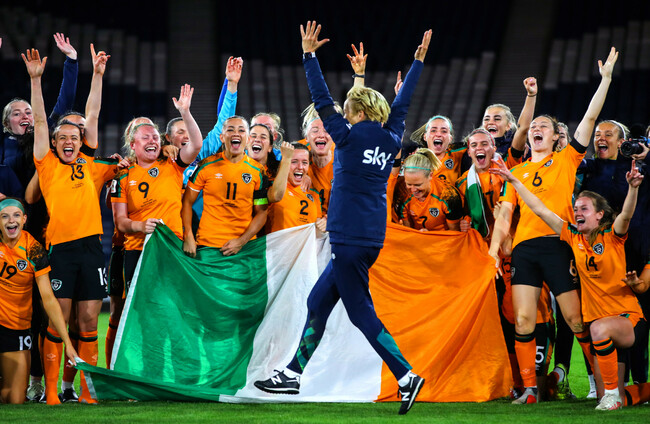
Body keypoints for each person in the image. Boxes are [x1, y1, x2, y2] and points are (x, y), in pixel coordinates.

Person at [254, 22, 431, 416]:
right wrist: (417, 64)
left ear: (359, 111)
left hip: (348, 239)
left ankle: (405, 375)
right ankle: (292, 374)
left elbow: (320, 98)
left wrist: (308, 55)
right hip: (368, 238)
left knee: (360, 312)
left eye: (348, 108)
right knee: (318, 301)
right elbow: (403, 105)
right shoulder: (391, 137)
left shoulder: (347, 138)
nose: (342, 112)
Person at [488, 47, 619, 404]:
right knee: (524, 320)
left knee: (576, 320)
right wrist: (495, 249)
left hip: (560, 245)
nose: (536, 130)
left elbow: (590, 119)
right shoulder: (516, 171)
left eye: (543, 126)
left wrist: (605, 80)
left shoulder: (566, 159)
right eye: (533, 127)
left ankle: (603, 386)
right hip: (525, 250)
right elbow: (504, 214)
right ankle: (530, 389)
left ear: (555, 135)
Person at [491, 157, 645, 411]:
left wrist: (633, 188)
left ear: (600, 215)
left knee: (597, 332)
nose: (577, 212)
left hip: (625, 319)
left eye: (584, 209)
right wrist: (515, 181)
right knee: (615, 391)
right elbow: (541, 210)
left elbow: (626, 215)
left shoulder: (613, 236)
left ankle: (610, 395)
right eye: (575, 208)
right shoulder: (573, 238)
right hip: (602, 330)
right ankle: (627, 393)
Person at [25, 45, 116, 404]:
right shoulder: (46, 165)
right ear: (54, 143)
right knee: (57, 322)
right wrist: (35, 81)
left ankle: (86, 392)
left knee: (89, 322)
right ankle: (51, 392)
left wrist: (98, 75)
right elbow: (41, 121)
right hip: (60, 249)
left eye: (73, 138)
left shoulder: (89, 163)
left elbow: (92, 113)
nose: (68, 141)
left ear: (81, 143)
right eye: (62, 137)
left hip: (92, 249)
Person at [111, 85, 202, 294]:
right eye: (145, 137)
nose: (152, 141)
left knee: (172, 305)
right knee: (141, 307)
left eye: (155, 137)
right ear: (132, 145)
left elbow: (196, 145)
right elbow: (120, 222)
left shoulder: (173, 164)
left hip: (172, 246)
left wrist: (185, 112)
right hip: (138, 249)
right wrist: (141, 226)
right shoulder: (122, 175)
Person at [0, 198, 78, 404]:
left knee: (15, 399)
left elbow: (49, 299)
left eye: (16, 215)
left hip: (15, 327)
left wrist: (68, 344)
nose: (11, 220)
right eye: (4, 216)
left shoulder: (34, 250)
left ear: (24, 219)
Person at [181, 116, 270, 257]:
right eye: (230, 130)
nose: (236, 134)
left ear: (248, 139)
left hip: (244, 249)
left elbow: (262, 212)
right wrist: (188, 235)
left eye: (241, 130)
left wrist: (241, 241)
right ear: (222, 137)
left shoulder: (258, 171)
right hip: (208, 245)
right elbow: (187, 201)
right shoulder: (205, 166)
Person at [266, 142, 326, 234]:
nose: (300, 167)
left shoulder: (314, 194)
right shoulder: (272, 187)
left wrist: (324, 224)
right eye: (294, 162)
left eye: (304, 163)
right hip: (278, 243)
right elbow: (276, 195)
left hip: (305, 243)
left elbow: (317, 229)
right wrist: (286, 158)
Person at [398, 148, 463, 231]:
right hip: (417, 236)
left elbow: (455, 233)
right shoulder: (403, 194)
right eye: (409, 184)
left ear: (430, 176)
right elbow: (407, 231)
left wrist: (429, 236)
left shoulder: (448, 196)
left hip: (443, 237)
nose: (413, 190)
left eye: (418, 185)